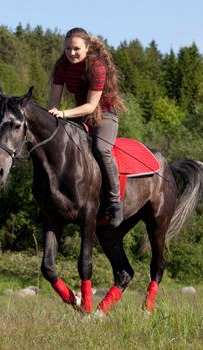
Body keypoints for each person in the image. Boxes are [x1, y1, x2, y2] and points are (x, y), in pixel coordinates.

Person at [48, 27, 125, 228]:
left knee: (101, 149)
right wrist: (53, 116)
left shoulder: (97, 67)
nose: (71, 53)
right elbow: (53, 103)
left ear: (87, 47)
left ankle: (115, 202)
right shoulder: (61, 66)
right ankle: (52, 200)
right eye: (67, 49)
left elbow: (91, 106)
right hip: (77, 114)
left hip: (104, 115)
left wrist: (63, 114)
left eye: (76, 49)